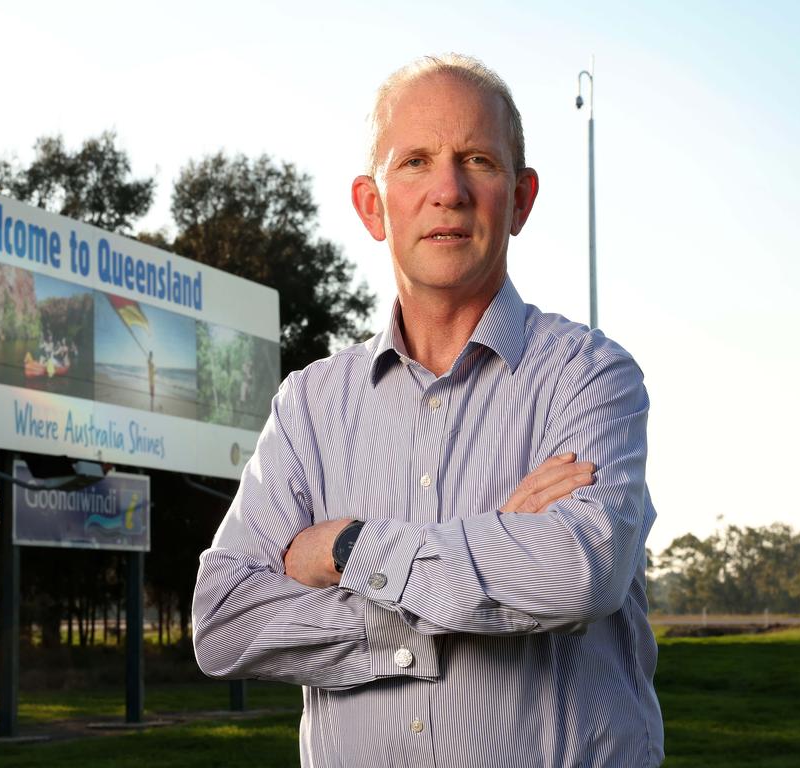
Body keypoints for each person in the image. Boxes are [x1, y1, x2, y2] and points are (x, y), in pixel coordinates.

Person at [192, 54, 663, 768]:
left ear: (522, 199)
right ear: (371, 206)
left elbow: (578, 571)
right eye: (414, 161)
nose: (448, 190)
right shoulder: (309, 406)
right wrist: (492, 559)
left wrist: (348, 548)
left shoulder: (590, 376)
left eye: (477, 159)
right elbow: (222, 621)